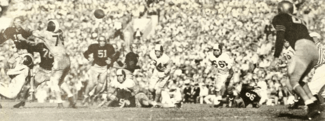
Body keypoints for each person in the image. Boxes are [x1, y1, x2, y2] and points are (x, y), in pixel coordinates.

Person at [271, 1, 321, 119]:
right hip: (313, 49)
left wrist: (276, 55)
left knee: (292, 79)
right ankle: (314, 101)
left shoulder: (280, 17)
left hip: (302, 47)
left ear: (281, 9)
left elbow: (280, 36)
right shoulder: (299, 20)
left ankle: (311, 104)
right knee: (299, 79)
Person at [32, 19, 76, 108]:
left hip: (59, 59)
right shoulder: (58, 35)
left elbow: (34, 33)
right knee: (61, 81)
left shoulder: (46, 33)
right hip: (67, 59)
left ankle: (59, 103)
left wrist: (37, 28)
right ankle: (71, 97)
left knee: (53, 81)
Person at [82, 36, 115, 106]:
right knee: (92, 84)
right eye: (100, 41)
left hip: (104, 67)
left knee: (101, 84)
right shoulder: (94, 47)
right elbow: (85, 53)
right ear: (98, 41)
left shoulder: (109, 47)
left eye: (103, 41)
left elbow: (114, 55)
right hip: (95, 66)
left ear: (105, 41)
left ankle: (93, 95)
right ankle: (85, 96)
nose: (102, 42)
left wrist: (111, 60)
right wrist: (88, 58)